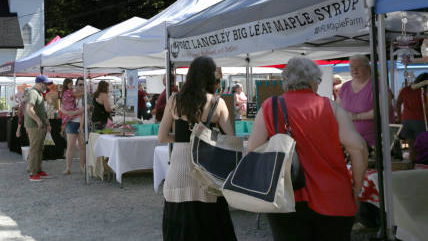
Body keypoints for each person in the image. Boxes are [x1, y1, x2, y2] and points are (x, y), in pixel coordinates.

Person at [247, 57, 368, 241]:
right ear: (313, 81)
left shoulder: (269, 108)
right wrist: (357, 186)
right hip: (334, 197)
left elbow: (252, 155)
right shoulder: (330, 107)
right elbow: (358, 147)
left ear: (286, 81)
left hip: (285, 198)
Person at [158, 56, 236, 240]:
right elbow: (230, 140)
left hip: (178, 175)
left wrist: (182, 140)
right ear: (211, 78)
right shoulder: (218, 103)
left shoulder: (175, 100)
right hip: (207, 176)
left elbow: (161, 137)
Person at [337, 54, 393, 147]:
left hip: (376, 141)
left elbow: (382, 111)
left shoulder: (379, 85)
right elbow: (337, 109)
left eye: (358, 67)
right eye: (352, 67)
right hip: (350, 140)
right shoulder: (345, 86)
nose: (354, 70)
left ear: (367, 68)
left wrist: (356, 117)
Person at [25, 75, 54, 182]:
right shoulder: (33, 92)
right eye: (45, 84)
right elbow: (29, 109)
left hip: (39, 125)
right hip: (34, 126)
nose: (46, 86)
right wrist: (38, 120)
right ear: (40, 83)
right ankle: (33, 173)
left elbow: (41, 110)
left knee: (39, 149)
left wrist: (46, 122)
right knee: (34, 149)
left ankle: (38, 170)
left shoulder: (39, 93)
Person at [396, 72, 428, 163]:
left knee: (411, 145)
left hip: (406, 120)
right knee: (422, 146)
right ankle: (421, 165)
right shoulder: (424, 91)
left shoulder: (405, 90)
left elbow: (397, 104)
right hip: (421, 120)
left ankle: (412, 164)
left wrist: (399, 117)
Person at [60, 78, 86, 174]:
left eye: (83, 84)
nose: (82, 86)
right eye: (80, 84)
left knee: (82, 146)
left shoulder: (86, 96)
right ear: (76, 85)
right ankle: (68, 168)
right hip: (71, 122)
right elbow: (61, 107)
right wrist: (67, 112)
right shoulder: (71, 94)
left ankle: (82, 167)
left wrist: (74, 113)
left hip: (82, 123)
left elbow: (85, 110)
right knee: (70, 146)